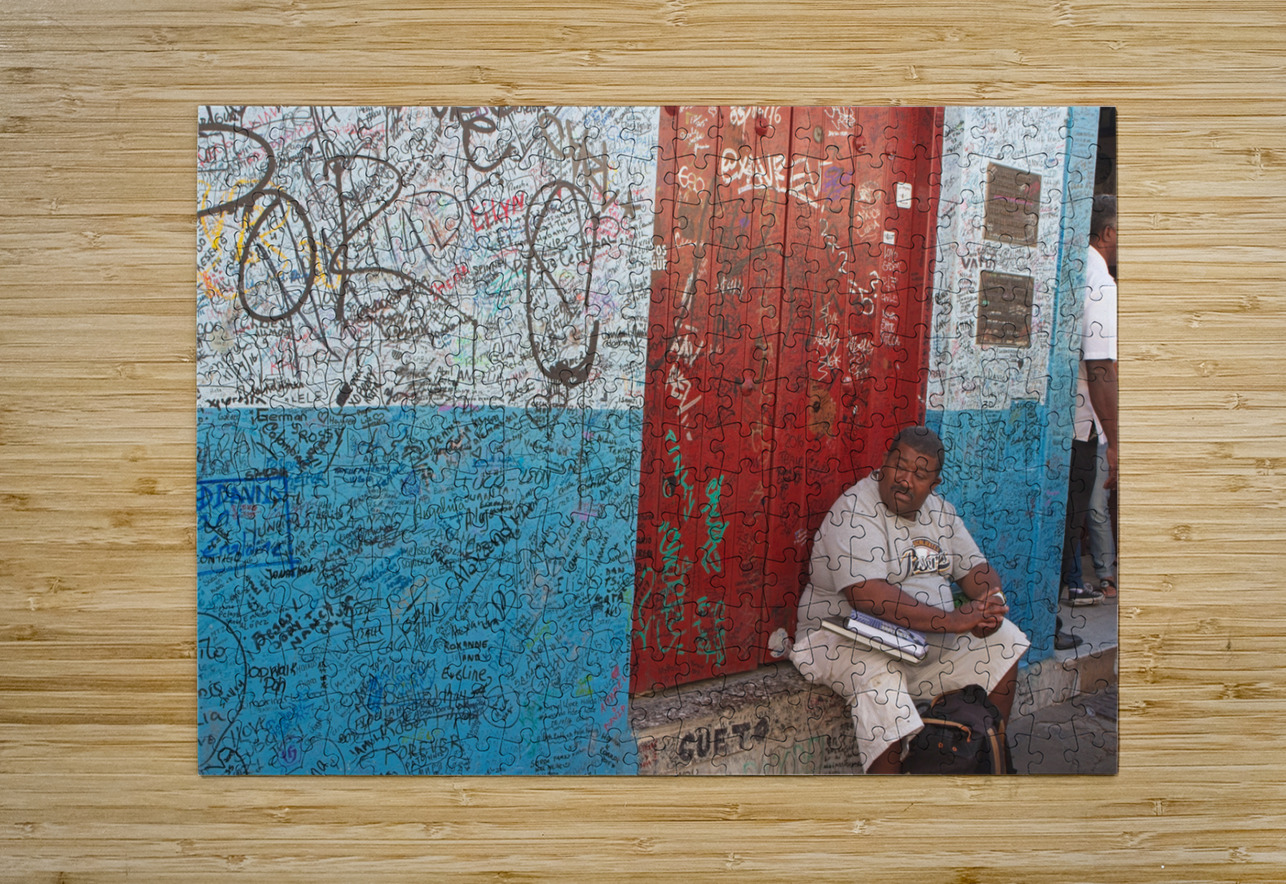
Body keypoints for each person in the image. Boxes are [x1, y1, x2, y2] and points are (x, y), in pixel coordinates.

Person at [789, 426, 1031, 774]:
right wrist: (952, 621)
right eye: (898, 466)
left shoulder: (940, 513)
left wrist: (990, 603)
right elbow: (867, 596)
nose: (904, 479)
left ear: (934, 484)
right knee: (880, 675)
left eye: (919, 474)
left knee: (1005, 640)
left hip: (918, 641)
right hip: (838, 638)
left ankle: (986, 759)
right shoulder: (854, 510)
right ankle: (890, 806)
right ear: (884, 462)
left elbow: (976, 569)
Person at [1059, 194, 1120, 608]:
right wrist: (1116, 442)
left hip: (1063, 419)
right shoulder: (1099, 280)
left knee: (1069, 513)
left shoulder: (1071, 265)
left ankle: (1067, 593)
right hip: (1080, 422)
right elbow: (1099, 368)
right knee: (1074, 514)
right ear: (1109, 234)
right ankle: (1063, 599)